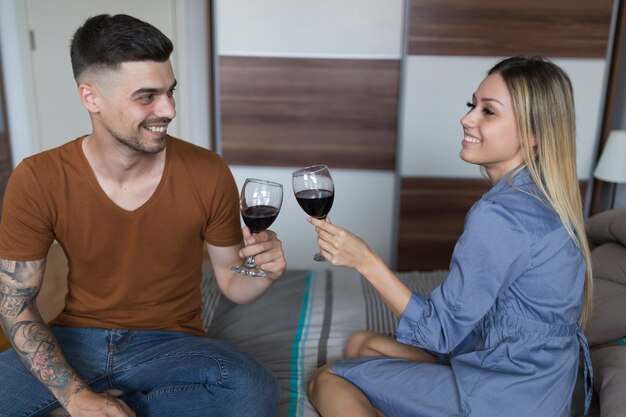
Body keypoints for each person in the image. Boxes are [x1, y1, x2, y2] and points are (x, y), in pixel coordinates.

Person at [0, 13, 285, 417]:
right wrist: (76, 396)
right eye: (146, 96)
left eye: (171, 91)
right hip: (73, 341)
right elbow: (15, 303)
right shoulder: (38, 177)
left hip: (171, 345)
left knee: (250, 388)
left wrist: (262, 271)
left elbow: (232, 283)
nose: (168, 109)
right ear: (91, 98)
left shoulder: (207, 171)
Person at [307, 56, 594, 417]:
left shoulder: (501, 214)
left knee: (328, 378)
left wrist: (366, 261)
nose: (467, 118)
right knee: (362, 344)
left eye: (488, 112)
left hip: (505, 394)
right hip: (542, 383)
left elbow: (440, 332)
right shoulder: (543, 197)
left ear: (533, 135)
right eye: (472, 104)